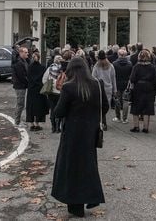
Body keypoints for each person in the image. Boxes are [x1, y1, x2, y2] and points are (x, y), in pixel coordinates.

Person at [51, 56, 109, 218]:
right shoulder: (97, 84)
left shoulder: (69, 87)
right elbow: (105, 106)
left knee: (71, 169)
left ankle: (74, 204)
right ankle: (90, 198)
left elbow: (59, 112)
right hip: (90, 133)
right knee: (88, 167)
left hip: (72, 134)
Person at [129, 49, 156, 133]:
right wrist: (153, 88)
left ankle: (136, 126)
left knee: (136, 108)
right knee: (147, 109)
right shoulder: (152, 67)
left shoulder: (136, 67)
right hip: (149, 89)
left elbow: (132, 79)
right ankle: (146, 128)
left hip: (138, 88)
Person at [92, 50, 117, 131]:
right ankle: (104, 122)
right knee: (106, 106)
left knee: (100, 106)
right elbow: (113, 79)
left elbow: (93, 78)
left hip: (99, 88)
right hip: (108, 88)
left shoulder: (96, 66)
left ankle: (102, 122)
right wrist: (115, 90)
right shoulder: (111, 66)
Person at [26, 52, 48, 131]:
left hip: (31, 89)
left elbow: (27, 77)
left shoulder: (30, 67)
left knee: (31, 106)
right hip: (39, 89)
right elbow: (45, 78)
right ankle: (37, 123)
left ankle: (31, 123)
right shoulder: (42, 67)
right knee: (39, 106)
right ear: (39, 58)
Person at [42, 55, 65, 133]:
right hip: (60, 92)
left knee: (52, 109)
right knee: (59, 109)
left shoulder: (50, 68)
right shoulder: (62, 70)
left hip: (51, 92)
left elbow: (44, 79)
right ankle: (58, 127)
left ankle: (53, 127)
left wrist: (49, 85)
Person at [112, 48, 133, 124]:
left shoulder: (114, 64)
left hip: (117, 84)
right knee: (125, 101)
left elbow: (113, 75)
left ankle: (118, 117)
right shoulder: (130, 64)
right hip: (126, 84)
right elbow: (131, 75)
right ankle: (125, 118)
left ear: (118, 55)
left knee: (117, 100)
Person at [12, 46, 30, 126]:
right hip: (20, 86)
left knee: (20, 104)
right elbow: (21, 76)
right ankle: (17, 122)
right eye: (25, 52)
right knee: (20, 104)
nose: (27, 54)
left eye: (27, 52)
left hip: (21, 85)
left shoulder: (24, 61)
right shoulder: (19, 63)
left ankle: (18, 120)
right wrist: (28, 83)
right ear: (21, 53)